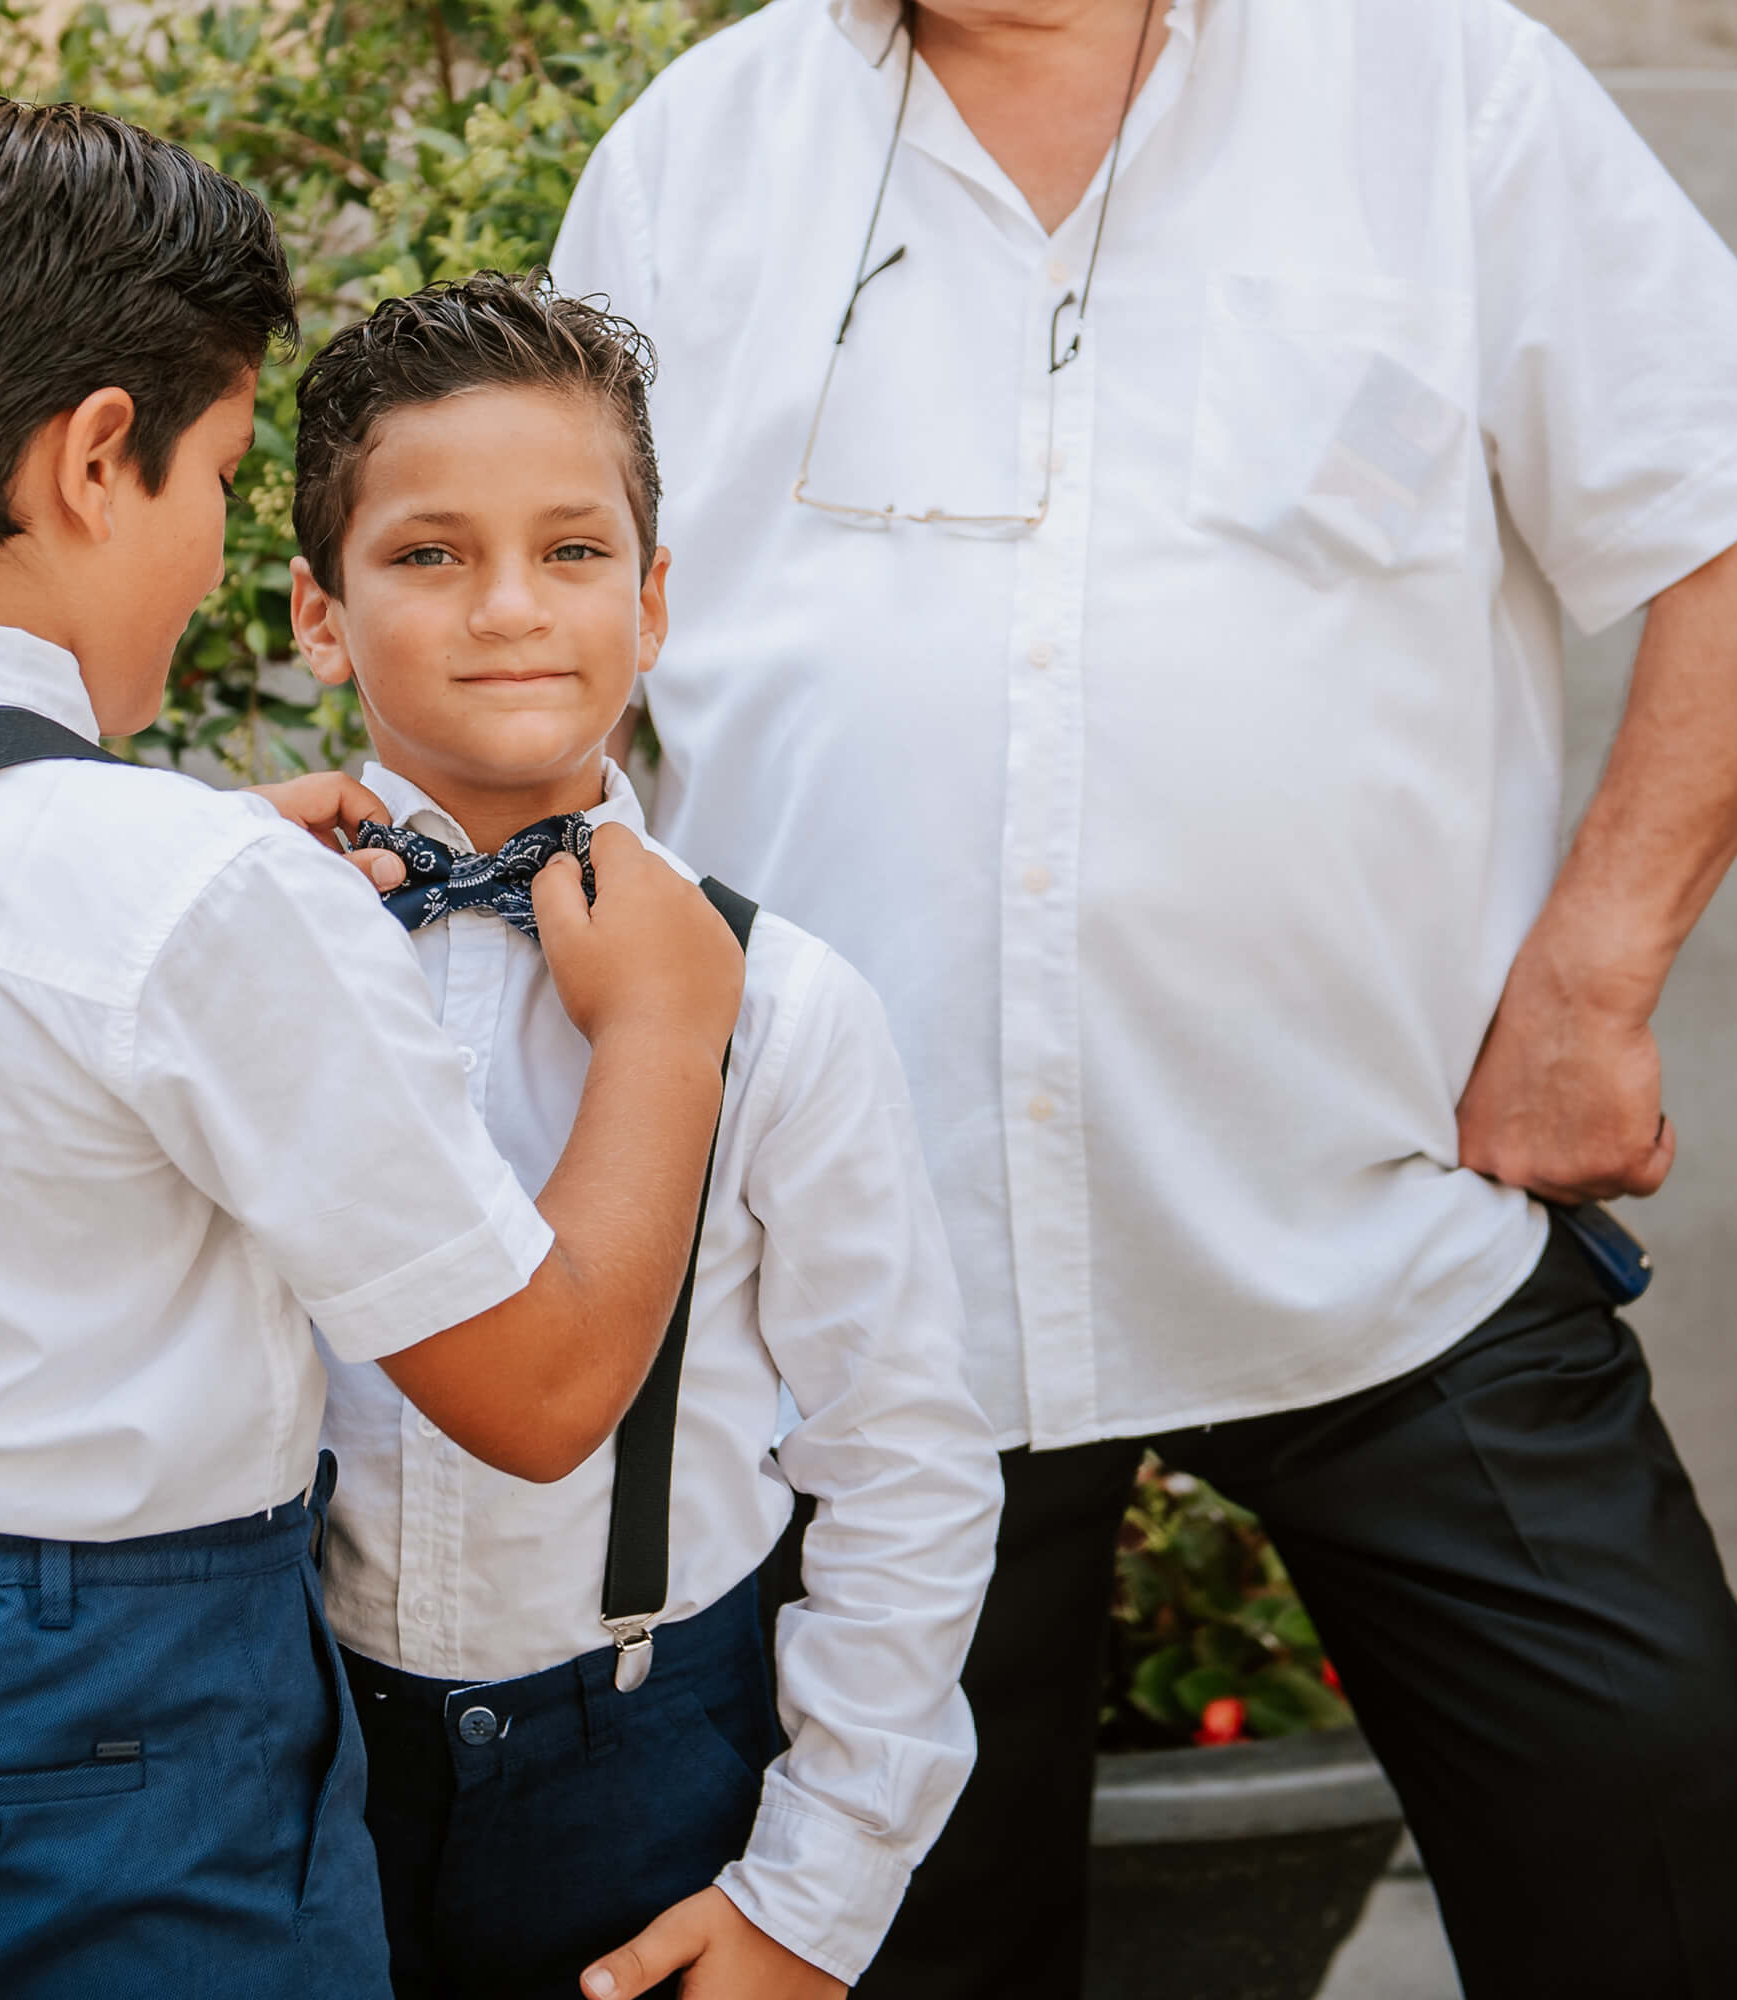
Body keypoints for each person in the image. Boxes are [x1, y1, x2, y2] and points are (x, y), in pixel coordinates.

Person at [548, 0, 1737, 1992]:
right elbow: (549, 646)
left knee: (1681, 1900)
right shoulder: (692, 157)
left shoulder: (1431, 83)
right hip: (870, 1290)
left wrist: (1593, 975)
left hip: (1386, 1221)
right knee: (883, 1952)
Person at [0, 101, 745, 2000]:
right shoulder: (176, 894)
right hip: (90, 1735)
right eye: (215, 476)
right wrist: (668, 1027)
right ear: (97, 458)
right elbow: (539, 1398)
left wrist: (214, 895)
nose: (216, 555)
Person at [263, 272, 1000, 2000]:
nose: (509, 606)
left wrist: (812, 1899)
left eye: (574, 552)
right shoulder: (244, 953)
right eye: (429, 554)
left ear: (655, 602)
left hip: (657, 1756)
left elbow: (899, 1458)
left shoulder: (784, 1002)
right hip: (287, 1759)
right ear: (318, 612)